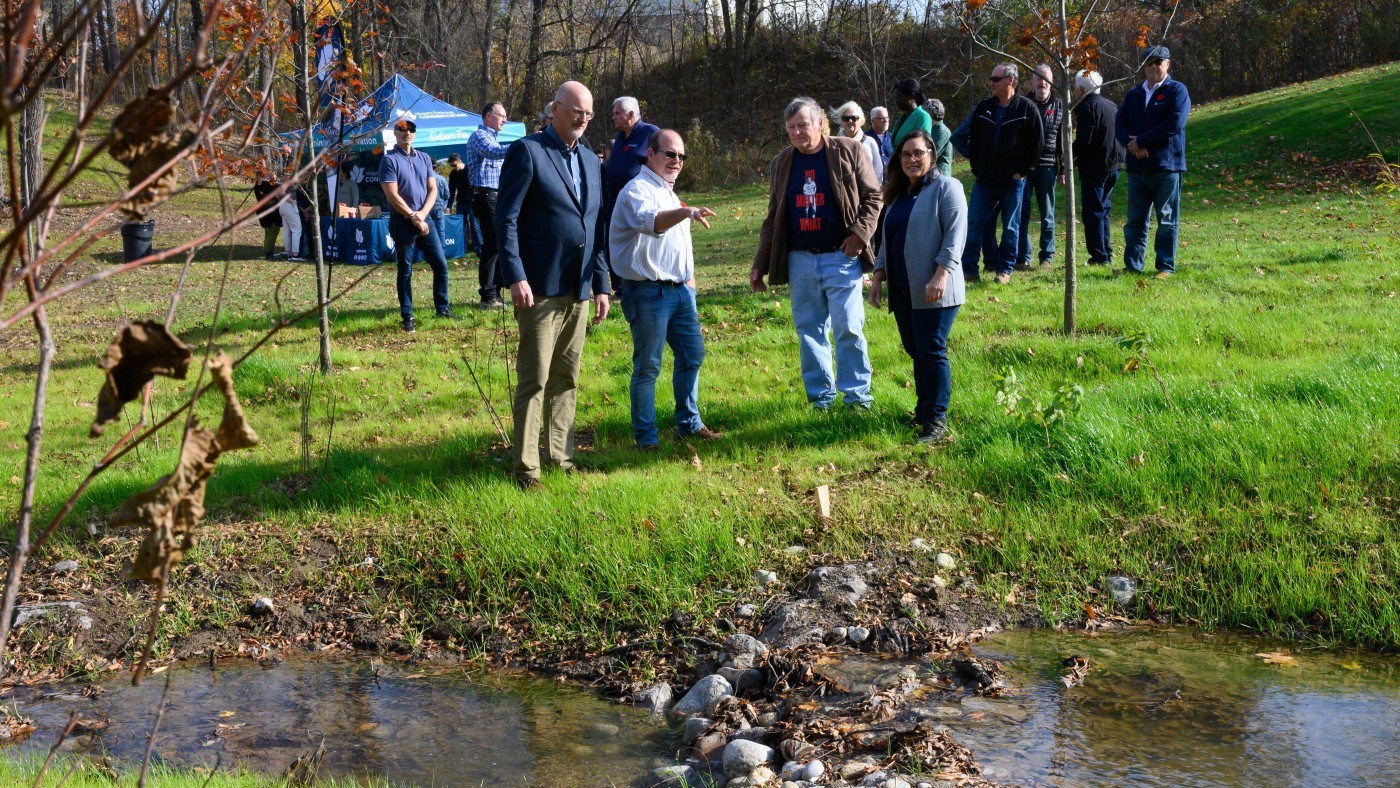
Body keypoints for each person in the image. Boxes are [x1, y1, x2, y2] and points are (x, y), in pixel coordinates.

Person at [496, 81, 611, 491]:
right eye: (576, 110)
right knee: (535, 379)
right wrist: (515, 274)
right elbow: (505, 219)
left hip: (578, 289)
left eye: (589, 113)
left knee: (567, 377)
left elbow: (594, 228)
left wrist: (601, 284)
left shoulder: (592, 162)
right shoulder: (528, 151)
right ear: (555, 109)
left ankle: (561, 457)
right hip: (539, 288)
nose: (582, 119)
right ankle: (527, 470)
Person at [751, 96, 882, 411]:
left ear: (821, 123)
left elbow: (874, 196)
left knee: (848, 327)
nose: (797, 133)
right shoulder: (782, 163)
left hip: (842, 257)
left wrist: (859, 235)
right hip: (800, 260)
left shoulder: (849, 151)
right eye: (791, 128)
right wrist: (760, 264)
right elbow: (773, 217)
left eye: (803, 125)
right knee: (810, 331)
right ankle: (822, 398)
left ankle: (857, 399)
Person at [609, 129, 722, 451]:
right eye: (670, 154)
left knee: (692, 355)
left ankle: (689, 424)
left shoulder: (669, 193)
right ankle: (646, 439)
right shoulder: (637, 190)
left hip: (680, 292)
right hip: (647, 294)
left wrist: (690, 283)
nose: (676, 161)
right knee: (648, 366)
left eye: (681, 156)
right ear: (651, 154)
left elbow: (678, 244)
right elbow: (651, 222)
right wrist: (686, 212)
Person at [868, 131, 967, 444]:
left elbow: (955, 236)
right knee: (916, 350)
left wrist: (941, 275)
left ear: (931, 155)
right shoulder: (897, 195)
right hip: (903, 287)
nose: (912, 159)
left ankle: (936, 420)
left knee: (931, 349)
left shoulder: (947, 188)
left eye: (918, 153)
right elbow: (885, 239)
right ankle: (923, 411)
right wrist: (878, 277)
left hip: (934, 288)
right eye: (906, 154)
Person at [962, 63, 1043, 285]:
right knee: (974, 222)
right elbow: (974, 141)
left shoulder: (1027, 109)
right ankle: (969, 269)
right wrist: (977, 168)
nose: (991, 82)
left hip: (1013, 181)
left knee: (1010, 226)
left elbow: (1037, 144)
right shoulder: (983, 108)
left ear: (1010, 80)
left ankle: (1004, 270)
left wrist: (1021, 172)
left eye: (995, 79)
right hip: (985, 180)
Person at [1116, 45, 1190, 278]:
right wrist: (1132, 145)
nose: (1153, 66)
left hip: (1166, 167)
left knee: (1167, 220)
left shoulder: (1177, 91)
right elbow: (1120, 124)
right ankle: (1132, 266)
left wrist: (1143, 141)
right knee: (1135, 221)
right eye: (1149, 62)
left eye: (1159, 62)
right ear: (1143, 66)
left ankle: (1165, 267)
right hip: (1138, 168)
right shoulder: (1133, 94)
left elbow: (1174, 123)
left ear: (1168, 64)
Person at [380, 118, 453, 332]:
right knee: (405, 271)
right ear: (395, 133)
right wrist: (413, 216)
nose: (407, 133)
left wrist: (421, 215)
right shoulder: (389, 160)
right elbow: (392, 195)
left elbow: (433, 189)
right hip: (402, 223)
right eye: (402, 130)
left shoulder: (423, 157)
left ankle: (443, 308)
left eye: (411, 130)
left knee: (441, 265)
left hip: (425, 219)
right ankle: (407, 317)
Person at [1072, 69, 1126, 266]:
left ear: (1080, 89)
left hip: (1097, 167)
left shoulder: (1087, 107)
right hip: (1115, 163)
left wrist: (1070, 154)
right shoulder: (1110, 104)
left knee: (1093, 211)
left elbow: (1085, 139)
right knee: (1103, 210)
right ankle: (1106, 252)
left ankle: (1098, 256)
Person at [1016, 64, 1064, 270]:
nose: (1042, 82)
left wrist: (1063, 169)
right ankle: (1023, 257)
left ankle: (1047, 256)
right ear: (1031, 82)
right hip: (1025, 169)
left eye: (1046, 78)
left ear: (1052, 82)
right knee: (1022, 214)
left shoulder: (1061, 106)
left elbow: (1063, 140)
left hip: (1048, 167)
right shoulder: (1022, 104)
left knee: (1047, 214)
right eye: (1038, 78)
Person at [468, 101, 511, 307]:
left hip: (498, 196)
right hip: (486, 197)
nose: (505, 119)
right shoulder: (480, 137)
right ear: (488, 116)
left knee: (501, 244)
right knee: (492, 245)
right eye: (501, 115)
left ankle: (497, 291)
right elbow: (494, 152)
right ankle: (488, 295)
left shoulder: (494, 139)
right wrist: (523, 144)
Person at [834, 101, 884, 183]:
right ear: (841, 121)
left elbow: (878, 171)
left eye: (854, 118)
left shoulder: (870, 142)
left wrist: (875, 192)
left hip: (866, 192)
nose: (850, 121)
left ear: (861, 121)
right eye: (846, 118)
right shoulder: (833, 144)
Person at [889, 79, 932, 148]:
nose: (896, 100)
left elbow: (922, 144)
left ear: (912, 96)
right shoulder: (903, 118)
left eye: (899, 96)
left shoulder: (923, 116)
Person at [253, 177, 282, 260]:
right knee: (273, 232)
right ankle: (269, 252)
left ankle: (267, 250)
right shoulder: (269, 186)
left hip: (263, 211)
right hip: (271, 212)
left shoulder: (259, 185)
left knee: (268, 232)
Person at [276, 181, 306, 262]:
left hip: (283, 206)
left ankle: (289, 253)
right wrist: (291, 201)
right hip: (290, 206)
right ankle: (295, 255)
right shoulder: (289, 180)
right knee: (297, 230)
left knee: (287, 231)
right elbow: (280, 193)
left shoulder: (285, 180)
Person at [926, 98, 953, 177]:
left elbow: (931, 155)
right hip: (931, 175)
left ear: (929, 114)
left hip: (941, 176)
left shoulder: (942, 132)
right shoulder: (931, 129)